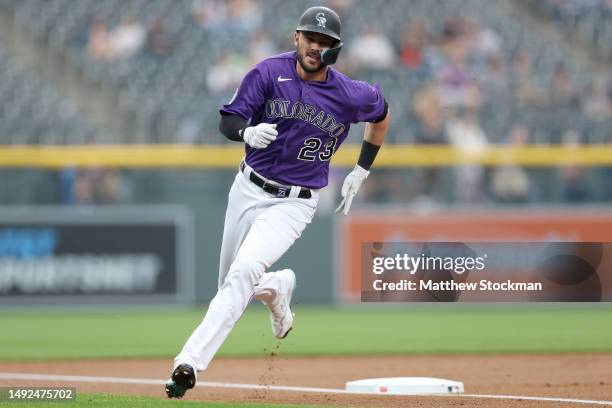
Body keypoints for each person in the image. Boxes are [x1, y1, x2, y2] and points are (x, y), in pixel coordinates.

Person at [165, 5, 390, 399]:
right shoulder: (269, 71)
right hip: (248, 189)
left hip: (294, 203)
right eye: (310, 37)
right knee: (231, 286)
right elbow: (228, 120)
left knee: (242, 273)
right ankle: (277, 288)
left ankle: (188, 363)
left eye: (324, 42)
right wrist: (246, 133)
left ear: (334, 49)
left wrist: (362, 169)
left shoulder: (350, 93)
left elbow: (382, 113)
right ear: (296, 37)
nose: (315, 46)